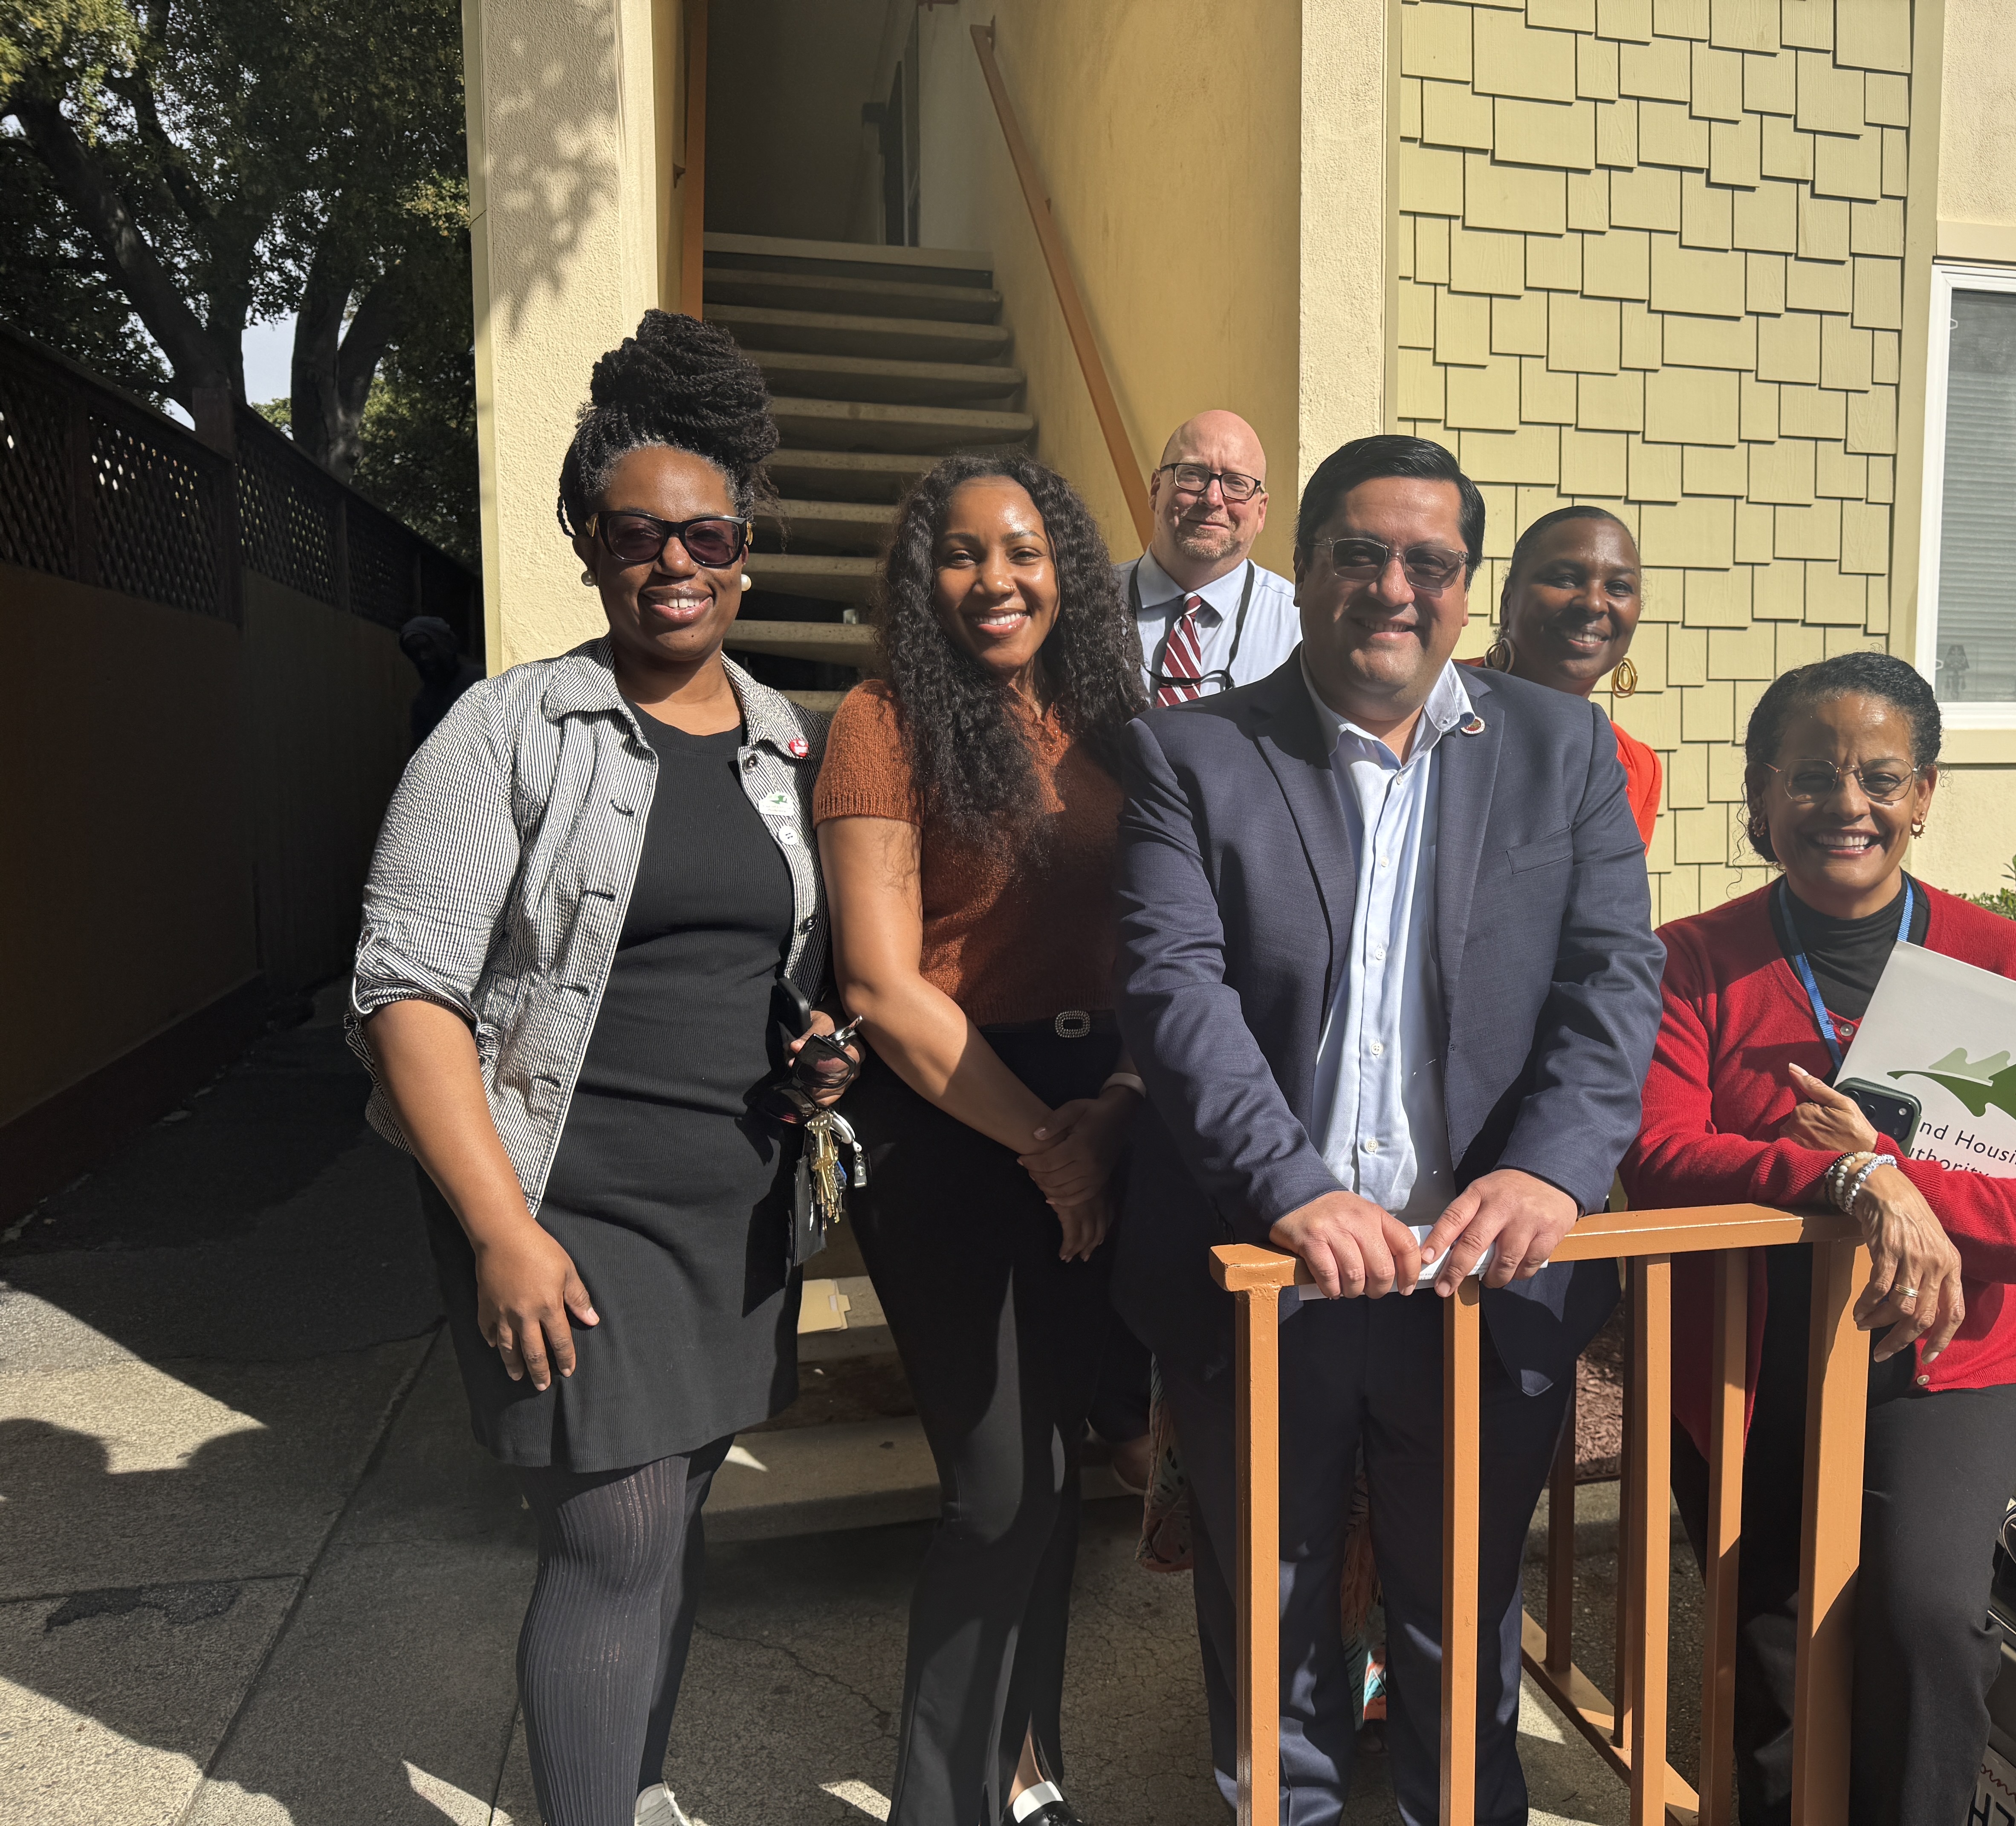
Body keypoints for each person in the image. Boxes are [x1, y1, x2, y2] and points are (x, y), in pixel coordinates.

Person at [349, 310, 861, 1826]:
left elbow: (762, 973)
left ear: (746, 548)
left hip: (731, 1211)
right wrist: (503, 1229)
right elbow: (403, 986)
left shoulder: (784, 743)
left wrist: (813, 1056)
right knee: (614, 1534)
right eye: (639, 532)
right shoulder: (511, 729)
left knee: (677, 1515)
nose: (675, 562)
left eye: (707, 532)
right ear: (588, 542)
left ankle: (631, 1785)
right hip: (564, 1203)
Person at [1112, 433, 1667, 1825]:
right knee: (1274, 1627)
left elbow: (1613, 980)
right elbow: (1171, 992)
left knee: (1460, 1612)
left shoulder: (1564, 749)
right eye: (1360, 552)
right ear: (1306, 572)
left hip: (1482, 1281)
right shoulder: (1192, 755)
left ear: (1467, 586)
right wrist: (1289, 1187)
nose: (1393, 586)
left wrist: (1549, 1165)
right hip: (1270, 1273)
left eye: (1428, 560)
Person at [1620, 650, 2016, 1826]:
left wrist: (1911, 1185)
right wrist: (1847, 1174)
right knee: (1765, 1653)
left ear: (1924, 794)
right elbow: (1655, 1153)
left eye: (1878, 776)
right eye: (1810, 776)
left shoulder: (2015, 969)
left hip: (1941, 1362)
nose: (1845, 803)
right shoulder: (1693, 961)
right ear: (1760, 797)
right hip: (1748, 1364)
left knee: (1921, 1620)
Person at [814, 451, 1148, 1826]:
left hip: (1103, 1108)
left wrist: (1116, 1113)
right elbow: (885, 985)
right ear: (922, 575)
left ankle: (1029, 1769)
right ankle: (941, 1800)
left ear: (1065, 563)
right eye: (960, 553)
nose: (995, 578)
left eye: (1022, 548)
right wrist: (1043, 1144)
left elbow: (1163, 941)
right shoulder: (881, 722)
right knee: (1000, 1485)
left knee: (1060, 1469)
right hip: (954, 1118)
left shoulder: (1116, 722)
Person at [1473, 505, 1662, 844]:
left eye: (1618, 587)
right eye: (1564, 579)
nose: (1593, 604)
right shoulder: (1429, 702)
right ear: (1507, 603)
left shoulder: (1636, 768)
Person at [1120, 409, 1299, 704]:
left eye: (1237, 483)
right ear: (1155, 489)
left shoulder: (1297, 627)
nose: (1213, 498)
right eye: (1192, 475)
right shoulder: (1086, 601)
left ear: (1262, 511)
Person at [399, 613, 484, 744]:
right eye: (415, 652)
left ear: (444, 644)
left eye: (427, 647)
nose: (423, 657)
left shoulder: (480, 681)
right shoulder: (423, 704)